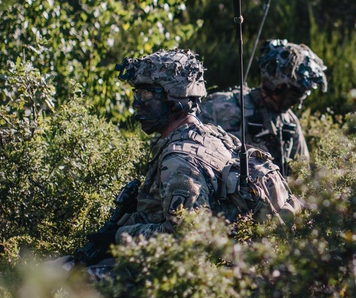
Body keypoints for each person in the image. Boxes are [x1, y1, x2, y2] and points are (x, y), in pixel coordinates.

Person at [69, 48, 299, 277]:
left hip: (206, 280)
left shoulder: (180, 161)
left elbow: (186, 241)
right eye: (137, 94)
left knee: (76, 283)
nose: (137, 103)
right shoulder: (213, 135)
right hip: (237, 267)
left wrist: (123, 234)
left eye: (146, 95)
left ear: (174, 100)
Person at [200, 39, 327, 176]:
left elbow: (302, 175)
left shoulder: (289, 123)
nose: (297, 101)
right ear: (278, 87)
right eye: (295, 93)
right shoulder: (221, 107)